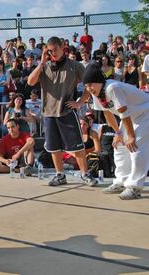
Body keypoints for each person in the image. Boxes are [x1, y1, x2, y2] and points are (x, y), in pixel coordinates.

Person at [27, 36, 98, 187]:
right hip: (48, 113)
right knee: (54, 147)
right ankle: (60, 175)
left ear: (62, 47)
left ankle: (85, 174)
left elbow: (89, 85)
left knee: (77, 146)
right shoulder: (44, 66)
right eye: (50, 51)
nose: (53, 53)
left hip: (67, 111)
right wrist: (41, 62)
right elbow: (30, 82)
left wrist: (80, 102)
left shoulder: (75, 65)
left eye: (55, 50)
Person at [82, 63, 149, 200]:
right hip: (130, 116)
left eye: (91, 84)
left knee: (135, 146)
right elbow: (108, 114)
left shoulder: (112, 88)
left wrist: (130, 136)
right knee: (118, 146)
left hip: (144, 113)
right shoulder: (96, 93)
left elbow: (124, 112)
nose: (89, 88)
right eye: (86, 86)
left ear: (99, 81)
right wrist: (118, 134)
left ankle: (135, 187)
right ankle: (121, 181)